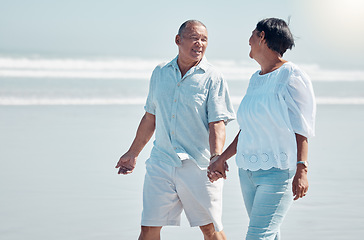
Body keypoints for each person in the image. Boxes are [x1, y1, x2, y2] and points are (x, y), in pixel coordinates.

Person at [115, 20, 235, 240]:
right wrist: (132, 154)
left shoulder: (213, 77)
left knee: (210, 230)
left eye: (204, 39)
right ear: (178, 40)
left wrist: (216, 156)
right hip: (161, 161)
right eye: (194, 37)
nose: (199, 43)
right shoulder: (160, 72)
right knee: (149, 228)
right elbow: (150, 117)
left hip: (198, 165)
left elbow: (217, 123)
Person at [208, 18, 316, 239]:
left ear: (262, 37)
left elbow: (302, 127)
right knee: (269, 234)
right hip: (247, 171)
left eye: (252, 35)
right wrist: (222, 158)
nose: (248, 41)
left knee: (258, 235)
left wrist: (302, 169)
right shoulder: (255, 79)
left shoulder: (292, 76)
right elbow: (247, 128)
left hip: (277, 172)